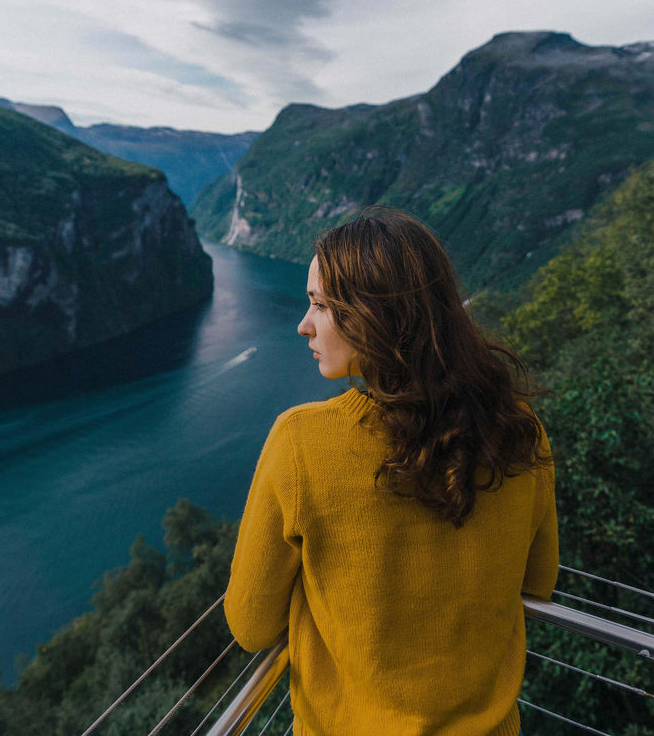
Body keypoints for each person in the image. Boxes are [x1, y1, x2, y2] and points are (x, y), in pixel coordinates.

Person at [224, 207, 558, 735]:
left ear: (374, 317)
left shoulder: (302, 443)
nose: (303, 324)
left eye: (320, 305)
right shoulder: (520, 430)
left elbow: (250, 625)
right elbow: (538, 582)